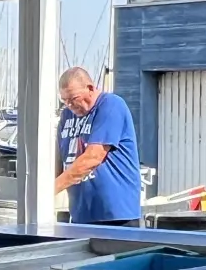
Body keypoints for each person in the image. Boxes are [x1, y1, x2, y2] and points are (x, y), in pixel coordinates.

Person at [53, 67, 143, 226]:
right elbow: (59, 159)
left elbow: (93, 157)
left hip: (116, 215)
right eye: (64, 101)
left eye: (74, 98)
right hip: (82, 214)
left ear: (90, 88)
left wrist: (49, 191)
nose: (70, 105)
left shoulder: (111, 105)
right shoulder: (67, 115)